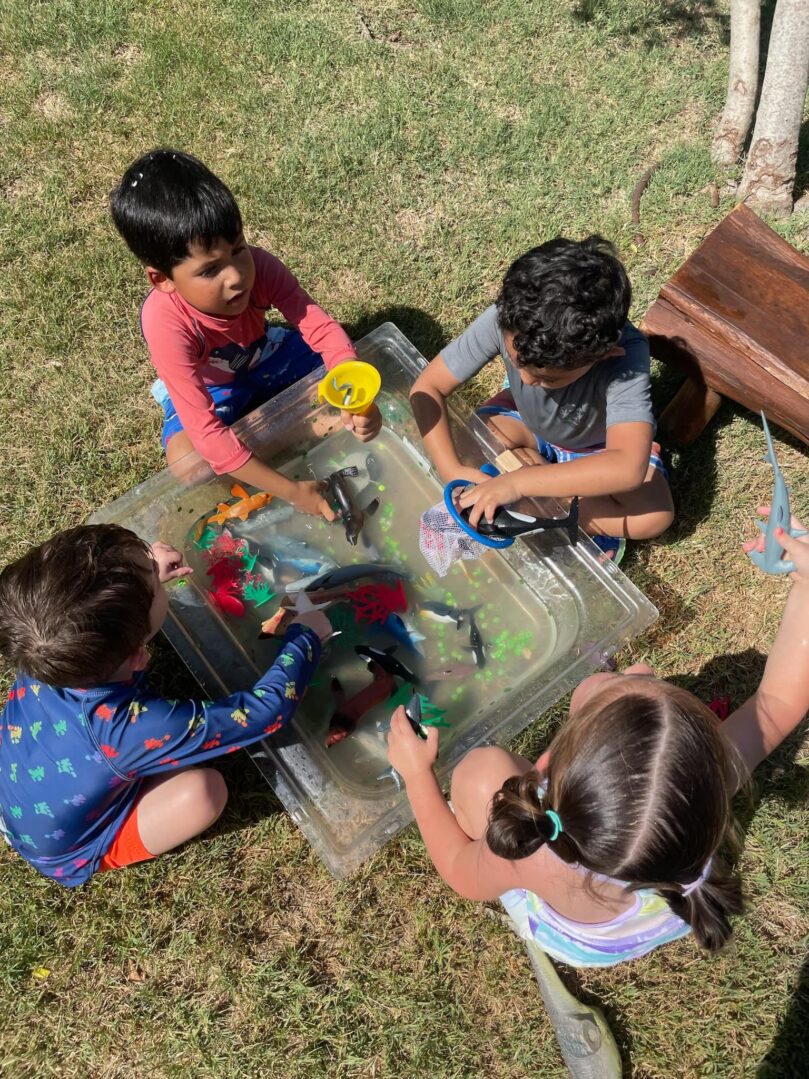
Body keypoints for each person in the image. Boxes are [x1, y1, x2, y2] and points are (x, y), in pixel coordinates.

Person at [386, 510, 809, 966]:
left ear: (553, 763)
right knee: (590, 704)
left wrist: (416, 777)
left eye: (626, 680)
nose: (642, 668)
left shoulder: (535, 850)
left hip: (581, 937)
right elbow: (781, 700)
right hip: (654, 904)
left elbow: (461, 873)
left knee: (480, 771)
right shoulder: (700, 784)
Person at [0, 524, 331, 887]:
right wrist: (307, 638)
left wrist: (144, 579)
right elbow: (263, 714)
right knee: (203, 793)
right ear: (138, 653)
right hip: (65, 850)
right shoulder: (133, 728)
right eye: (152, 584)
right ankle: (98, 846)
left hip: (18, 786)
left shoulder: (46, 643)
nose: (151, 559)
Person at [110, 148, 381, 519]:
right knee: (188, 464)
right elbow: (205, 433)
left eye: (238, 250)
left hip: (268, 353)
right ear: (162, 279)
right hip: (214, 387)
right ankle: (306, 424)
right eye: (210, 270)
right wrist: (291, 491)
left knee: (343, 353)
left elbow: (318, 326)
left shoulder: (262, 267)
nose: (236, 276)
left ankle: (285, 427)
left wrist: (357, 398)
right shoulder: (165, 323)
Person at [409, 236, 674, 560]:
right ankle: (547, 497)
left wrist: (520, 484)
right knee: (469, 440)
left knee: (654, 516)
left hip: (598, 450)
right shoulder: (508, 318)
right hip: (527, 423)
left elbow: (627, 465)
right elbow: (428, 387)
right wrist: (450, 469)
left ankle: (549, 502)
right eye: (514, 361)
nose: (525, 380)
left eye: (547, 378)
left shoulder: (627, 358)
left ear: (604, 355)